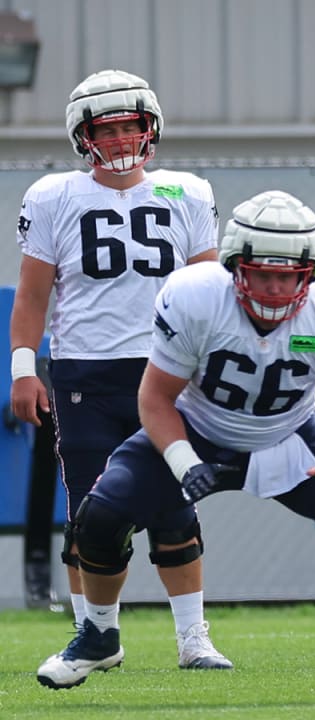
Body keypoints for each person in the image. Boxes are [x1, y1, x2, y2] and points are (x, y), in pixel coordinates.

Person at [35, 191, 315, 702]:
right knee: (97, 518)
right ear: (233, 268)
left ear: (309, 272)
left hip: (285, 433)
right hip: (198, 426)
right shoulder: (196, 299)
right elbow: (155, 400)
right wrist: (183, 461)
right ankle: (98, 636)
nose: (273, 287)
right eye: (261, 273)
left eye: (286, 275)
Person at [10, 69, 230, 671]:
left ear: (150, 128)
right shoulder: (53, 195)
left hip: (167, 368)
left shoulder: (187, 191)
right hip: (86, 371)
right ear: (82, 137)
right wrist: (23, 368)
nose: (119, 138)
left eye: (130, 125)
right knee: (89, 509)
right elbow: (32, 296)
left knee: (174, 506)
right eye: (105, 129)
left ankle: (193, 638)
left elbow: (211, 287)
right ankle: (92, 638)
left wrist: (212, 362)